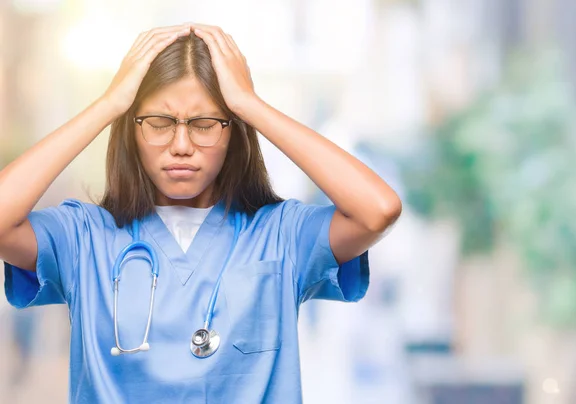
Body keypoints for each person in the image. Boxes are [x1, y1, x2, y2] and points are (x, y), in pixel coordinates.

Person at [0, 23, 402, 403]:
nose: (181, 144)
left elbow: (377, 210)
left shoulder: (282, 234)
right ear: (131, 129)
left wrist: (251, 105)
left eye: (205, 123)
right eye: (158, 122)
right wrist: (109, 105)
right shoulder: (82, 236)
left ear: (234, 130)